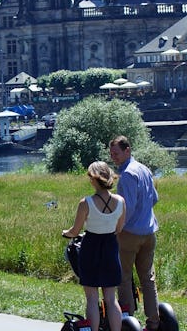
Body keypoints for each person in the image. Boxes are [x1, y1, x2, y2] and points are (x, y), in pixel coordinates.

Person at [63, 161, 127, 331]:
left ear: (93, 179)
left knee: (92, 298)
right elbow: (119, 228)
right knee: (111, 299)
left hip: (90, 248)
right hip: (110, 248)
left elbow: (75, 231)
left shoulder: (86, 203)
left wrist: (66, 232)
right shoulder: (120, 201)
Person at [109, 135, 161, 331]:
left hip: (130, 234)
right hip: (149, 232)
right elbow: (154, 199)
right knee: (147, 278)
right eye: (111, 154)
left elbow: (126, 209)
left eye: (116, 153)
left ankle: (128, 321)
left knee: (123, 277)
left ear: (127, 151)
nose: (113, 157)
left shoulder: (128, 175)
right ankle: (154, 322)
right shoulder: (144, 169)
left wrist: (116, 230)